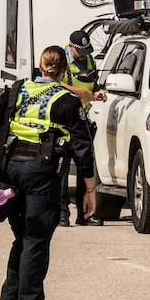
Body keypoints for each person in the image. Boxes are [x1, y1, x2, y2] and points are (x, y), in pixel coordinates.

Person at [0, 45, 96, 300]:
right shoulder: (68, 101)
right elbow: (83, 149)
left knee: (22, 238)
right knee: (35, 240)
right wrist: (90, 191)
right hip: (41, 175)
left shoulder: (15, 90)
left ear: (39, 66)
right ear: (64, 71)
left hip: (9, 172)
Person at [58, 30, 106, 227]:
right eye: (80, 51)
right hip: (63, 118)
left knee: (84, 164)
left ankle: (85, 213)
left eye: (87, 51)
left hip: (82, 117)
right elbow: (55, 83)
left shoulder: (89, 60)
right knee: (62, 166)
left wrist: (98, 91)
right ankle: (62, 214)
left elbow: (92, 83)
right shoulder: (59, 58)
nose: (84, 55)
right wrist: (82, 93)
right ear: (71, 47)